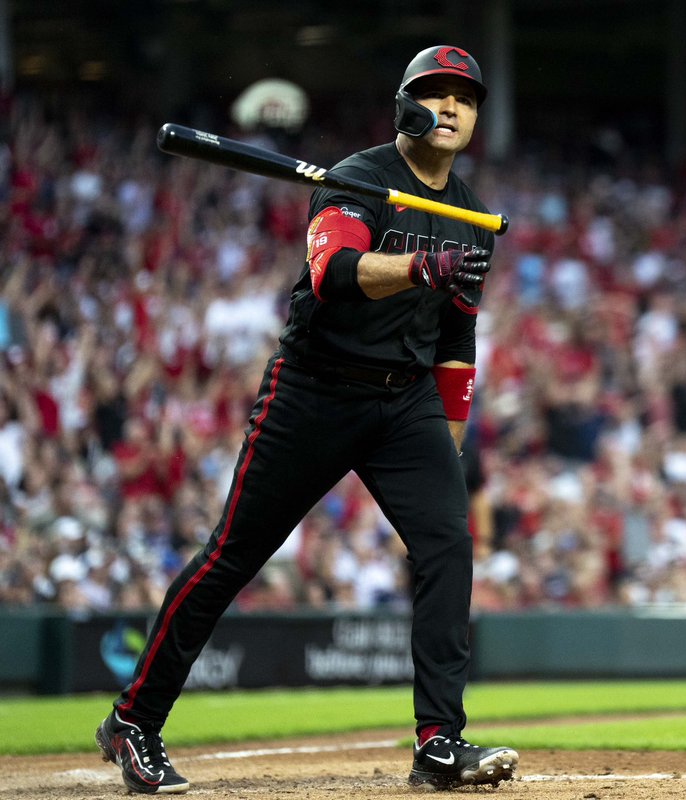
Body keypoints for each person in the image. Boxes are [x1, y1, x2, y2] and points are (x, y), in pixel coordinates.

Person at [95, 45, 518, 793]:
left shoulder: (470, 216)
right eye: (435, 93)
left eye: (465, 98)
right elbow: (333, 276)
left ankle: (438, 743)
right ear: (407, 107)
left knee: (448, 541)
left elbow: (457, 340)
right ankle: (133, 721)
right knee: (232, 555)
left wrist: (446, 455)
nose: (451, 108)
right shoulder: (358, 181)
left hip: (406, 399)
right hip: (314, 391)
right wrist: (421, 266)